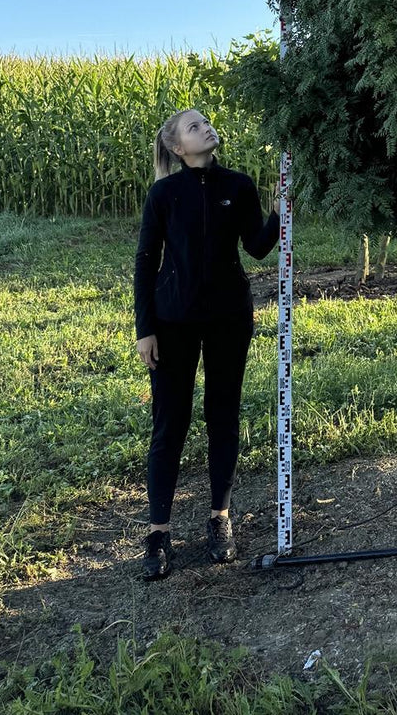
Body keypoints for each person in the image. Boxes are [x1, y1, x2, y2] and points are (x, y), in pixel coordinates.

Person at [134, 107, 281, 581]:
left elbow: (256, 247)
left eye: (207, 122)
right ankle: (158, 532)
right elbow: (145, 261)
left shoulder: (237, 186)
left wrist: (280, 213)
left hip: (228, 319)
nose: (206, 128)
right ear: (179, 148)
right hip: (171, 322)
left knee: (223, 415)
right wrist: (145, 328)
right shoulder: (164, 194)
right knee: (169, 423)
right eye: (194, 127)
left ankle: (220, 519)